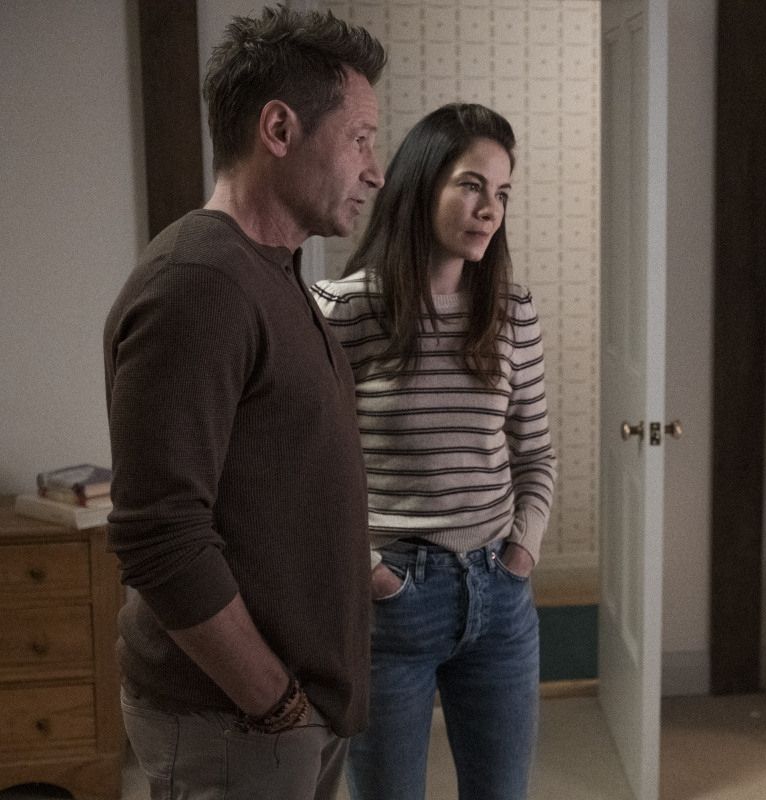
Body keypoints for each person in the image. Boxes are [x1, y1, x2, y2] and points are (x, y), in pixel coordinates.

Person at [103, 7, 385, 799]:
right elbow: (160, 536)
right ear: (279, 128)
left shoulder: (273, 271)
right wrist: (275, 702)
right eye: (361, 139)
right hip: (236, 721)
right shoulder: (199, 283)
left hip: (288, 712)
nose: (375, 171)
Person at [311, 103, 557, 800]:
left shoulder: (511, 311)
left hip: (499, 593)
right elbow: (307, 473)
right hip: (390, 602)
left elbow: (535, 454)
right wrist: (369, 571)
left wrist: (523, 550)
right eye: (471, 185)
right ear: (422, 184)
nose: (489, 210)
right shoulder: (342, 309)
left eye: (501, 193)